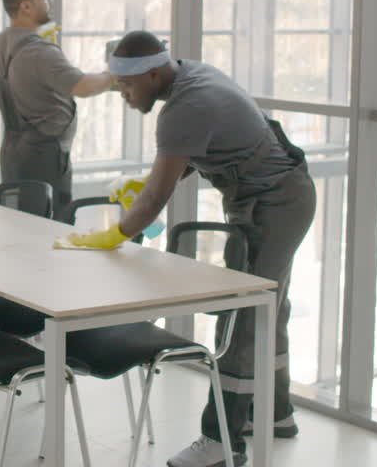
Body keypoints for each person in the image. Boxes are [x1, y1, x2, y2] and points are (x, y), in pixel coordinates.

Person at [67, 30, 316, 467]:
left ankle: (221, 441)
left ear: (152, 74)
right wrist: (146, 185)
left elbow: (155, 199)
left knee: (243, 317)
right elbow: (186, 159)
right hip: (281, 196)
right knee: (268, 310)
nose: (123, 96)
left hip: (274, 204)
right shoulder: (191, 77)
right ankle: (274, 414)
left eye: (126, 86)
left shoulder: (184, 107)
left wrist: (114, 234)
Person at [0, 0, 114, 221]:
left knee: (18, 222)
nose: (49, 2)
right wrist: (113, 76)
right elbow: (83, 86)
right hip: (44, 157)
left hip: (14, 152)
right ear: (26, 7)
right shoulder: (38, 51)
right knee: (51, 225)